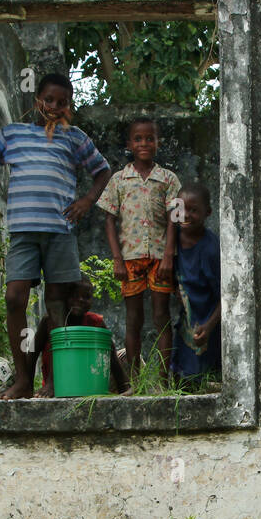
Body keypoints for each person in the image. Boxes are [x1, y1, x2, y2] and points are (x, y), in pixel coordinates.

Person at [0, 73, 111, 399]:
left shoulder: (74, 138)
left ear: (69, 106)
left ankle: (52, 381)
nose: (54, 107)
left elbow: (103, 170)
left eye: (62, 102)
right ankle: (23, 379)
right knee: (14, 298)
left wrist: (86, 200)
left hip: (60, 232)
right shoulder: (14, 135)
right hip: (24, 233)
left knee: (56, 308)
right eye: (48, 100)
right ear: (36, 101)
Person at [95, 117, 182, 387]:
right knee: (133, 319)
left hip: (159, 257)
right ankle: (134, 382)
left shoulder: (167, 178)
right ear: (129, 144)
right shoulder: (119, 180)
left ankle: (164, 380)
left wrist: (169, 255)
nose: (144, 143)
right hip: (130, 259)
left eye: (149, 138)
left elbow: (174, 218)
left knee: (161, 317)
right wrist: (117, 259)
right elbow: (109, 219)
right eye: (138, 139)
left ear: (157, 142)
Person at [34, 276, 131, 397]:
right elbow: (33, 352)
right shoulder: (49, 322)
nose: (80, 300)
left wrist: (123, 386)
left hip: (91, 382)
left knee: (123, 354)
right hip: (58, 385)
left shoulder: (96, 322)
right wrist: (32, 383)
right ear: (64, 297)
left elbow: (111, 355)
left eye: (86, 297)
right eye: (74, 296)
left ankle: (127, 386)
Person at [170, 183, 221, 388]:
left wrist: (209, 327)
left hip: (209, 322)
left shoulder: (210, 249)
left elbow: (226, 297)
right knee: (181, 378)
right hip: (186, 322)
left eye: (193, 210)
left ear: (207, 212)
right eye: (181, 209)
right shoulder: (171, 241)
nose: (186, 215)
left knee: (205, 379)